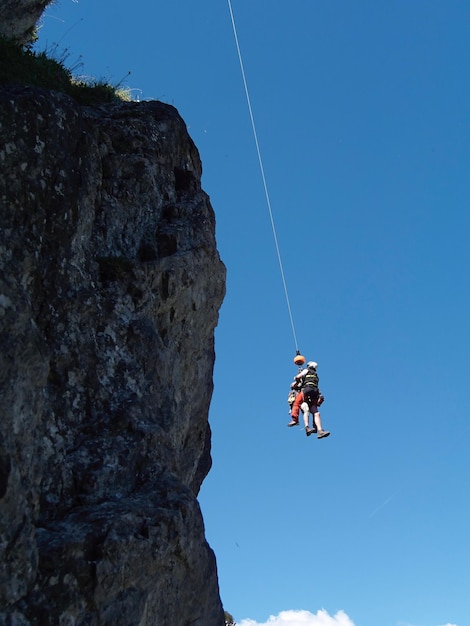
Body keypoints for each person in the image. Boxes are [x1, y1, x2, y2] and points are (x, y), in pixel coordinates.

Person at [287, 361, 330, 439]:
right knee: (316, 412)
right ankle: (320, 430)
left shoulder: (306, 371)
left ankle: (295, 420)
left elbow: (297, 378)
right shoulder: (316, 376)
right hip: (314, 393)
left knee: (297, 404)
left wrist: (297, 379)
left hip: (307, 391)